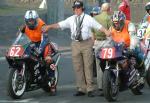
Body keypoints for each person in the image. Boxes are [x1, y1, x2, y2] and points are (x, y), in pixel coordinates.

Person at [42, 0, 110, 97]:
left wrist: (106, 31)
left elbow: (98, 26)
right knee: (77, 67)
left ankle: (90, 89)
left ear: (82, 8)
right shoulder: (71, 19)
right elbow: (60, 24)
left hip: (86, 43)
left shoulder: (88, 18)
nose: (76, 10)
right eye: (75, 8)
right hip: (75, 44)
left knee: (88, 66)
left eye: (78, 8)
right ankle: (81, 88)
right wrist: (49, 26)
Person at [20, 10, 57, 96]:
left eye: (32, 20)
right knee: (23, 56)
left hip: (44, 44)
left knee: (48, 60)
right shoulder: (24, 26)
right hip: (32, 43)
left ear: (36, 20)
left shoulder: (42, 25)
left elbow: (45, 40)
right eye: (29, 21)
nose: (30, 22)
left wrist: (39, 50)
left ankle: (52, 84)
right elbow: (19, 37)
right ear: (26, 20)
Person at [110, 11, 143, 94]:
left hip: (129, 46)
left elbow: (133, 37)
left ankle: (141, 70)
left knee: (137, 54)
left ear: (122, 21)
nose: (116, 24)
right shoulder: (111, 28)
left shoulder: (129, 25)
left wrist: (131, 48)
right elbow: (108, 39)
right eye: (115, 23)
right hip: (118, 48)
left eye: (118, 22)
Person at [92, 2, 112, 96]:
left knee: (98, 64)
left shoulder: (95, 18)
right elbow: (110, 32)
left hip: (97, 42)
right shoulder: (108, 18)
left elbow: (92, 34)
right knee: (107, 64)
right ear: (108, 9)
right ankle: (107, 84)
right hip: (106, 42)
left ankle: (100, 86)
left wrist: (93, 44)